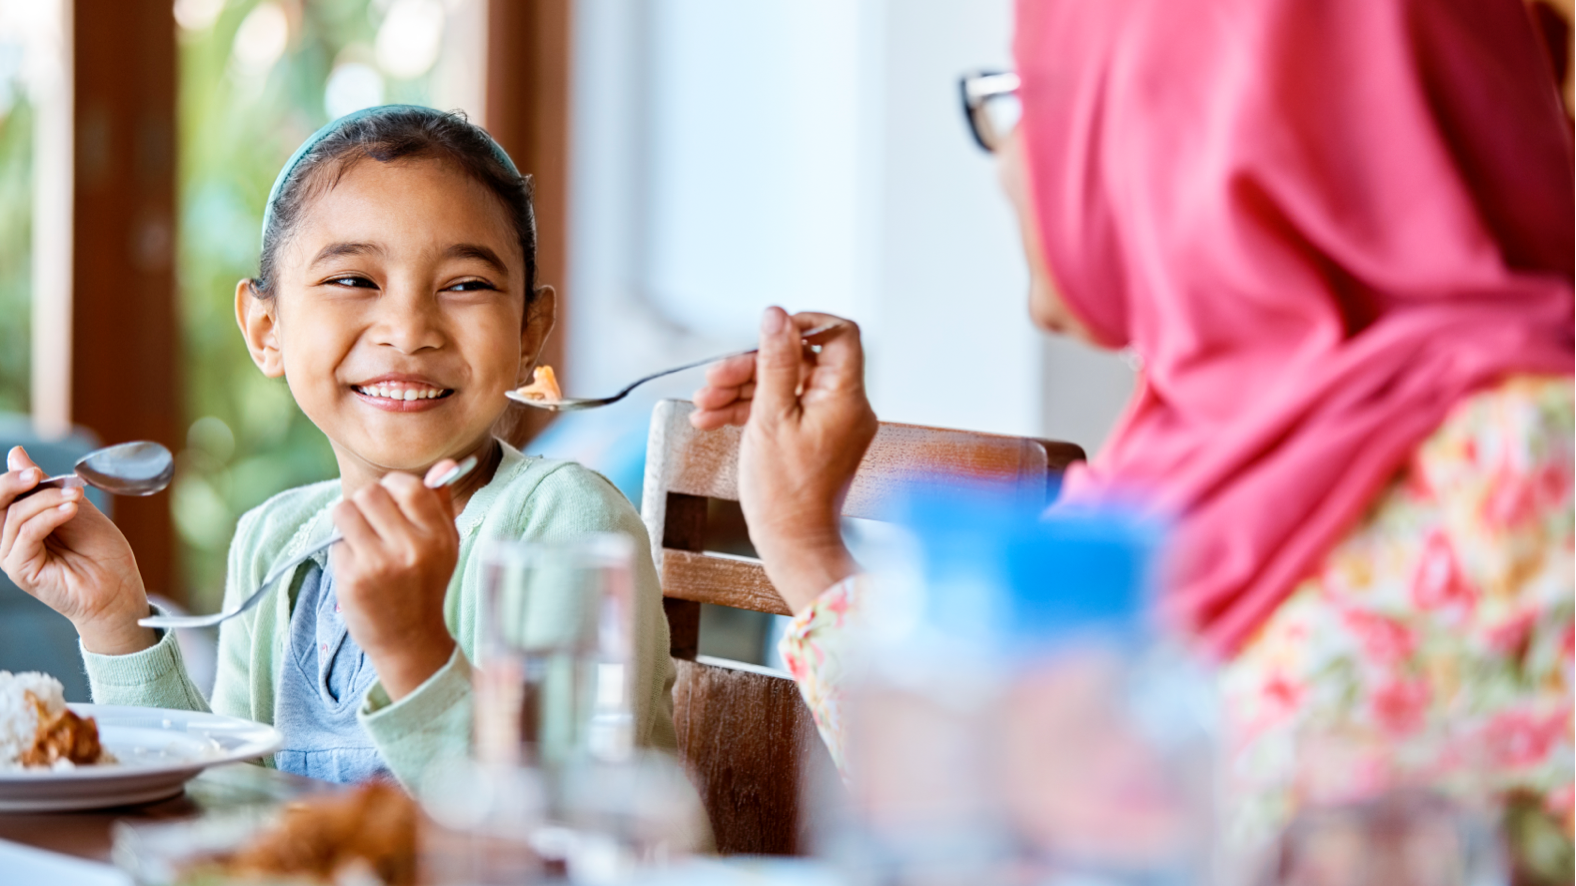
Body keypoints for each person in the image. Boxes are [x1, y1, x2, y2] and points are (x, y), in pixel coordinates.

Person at [691, 0, 1573, 876]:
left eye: (1031, 95)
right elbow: (1019, 823)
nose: (1005, 155)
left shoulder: (1533, 464)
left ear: (1197, 111)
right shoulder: (1199, 437)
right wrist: (804, 540)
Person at [0, 106, 677, 788]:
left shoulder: (567, 527)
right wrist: (117, 623)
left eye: (466, 285)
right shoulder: (274, 541)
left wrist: (415, 652)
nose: (409, 332)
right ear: (266, 328)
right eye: (353, 280)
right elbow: (223, 817)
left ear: (530, 331)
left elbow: (560, 837)